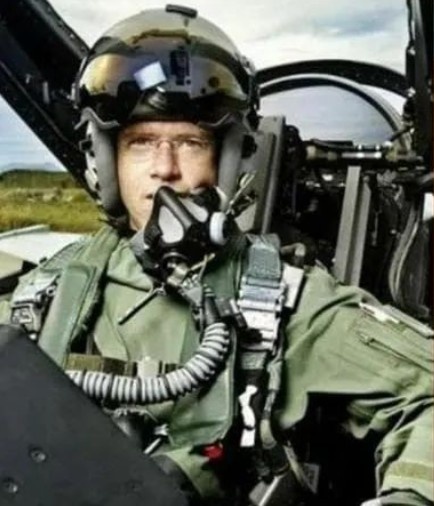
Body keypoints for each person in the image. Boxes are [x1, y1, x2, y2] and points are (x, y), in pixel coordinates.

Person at [0, 5, 432, 506]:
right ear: (106, 159)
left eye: (189, 142)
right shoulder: (46, 291)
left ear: (228, 159)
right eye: (141, 143)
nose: (165, 168)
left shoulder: (284, 301)